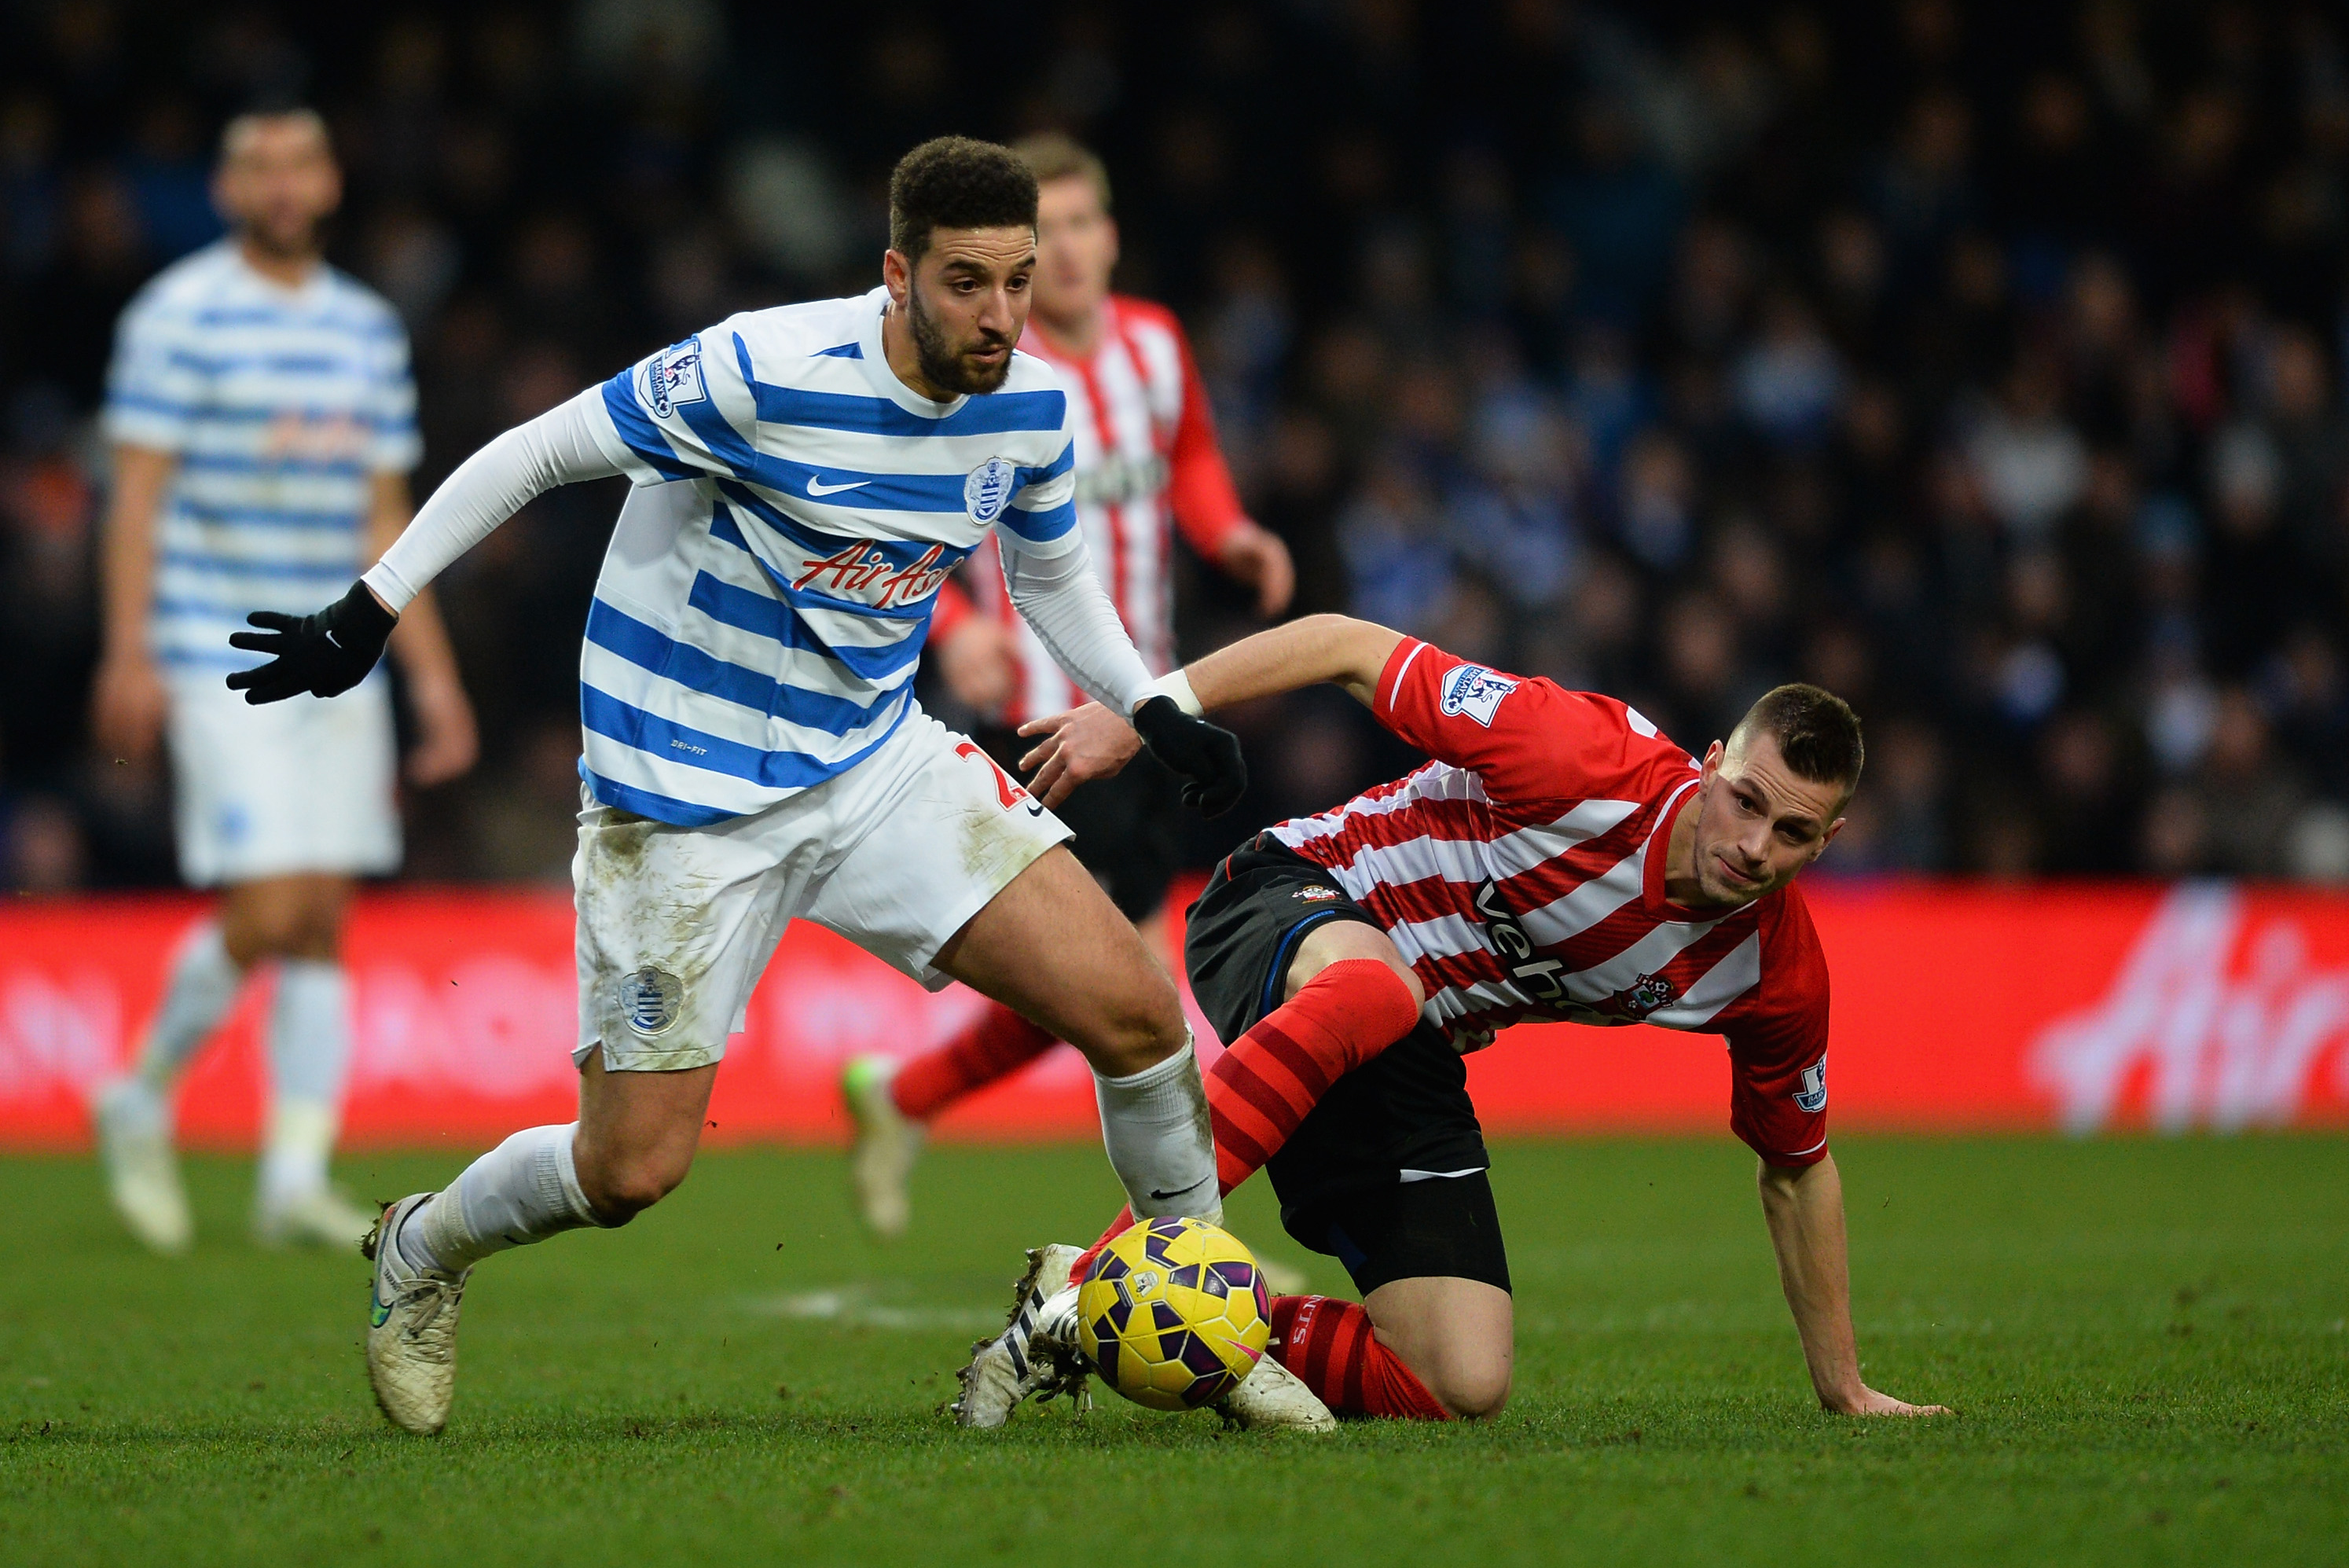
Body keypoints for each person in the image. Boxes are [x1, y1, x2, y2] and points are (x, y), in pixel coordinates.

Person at [225, 136, 1250, 1437]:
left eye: (1015, 280)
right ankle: (422, 1247)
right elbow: (536, 451)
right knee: (629, 1168)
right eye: (963, 283)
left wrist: (1153, 706)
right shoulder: (760, 370)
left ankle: (1202, 1313)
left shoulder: (1027, 408)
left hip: (876, 765)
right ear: (895, 275)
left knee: (1135, 1014)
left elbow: (1047, 580)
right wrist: (368, 609)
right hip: (680, 799)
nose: (998, 315)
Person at [960, 614, 1950, 1429]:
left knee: (1455, 1381)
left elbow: (1796, 1168)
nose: (1752, 846)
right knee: (1377, 990)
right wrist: (1149, 713)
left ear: (1829, 842)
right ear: (1709, 763)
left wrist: (1844, 1389)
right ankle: (1090, 1285)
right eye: (1744, 802)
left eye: (1791, 834)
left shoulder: (1772, 973)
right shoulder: (1579, 752)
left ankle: (1171, 1326)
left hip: (1408, 1038)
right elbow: (1347, 644)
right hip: (1288, 899)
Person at [841, 133, 1294, 1240]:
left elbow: (1185, 460)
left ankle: (905, 1096)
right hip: (1042, 711)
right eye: (1053, 233)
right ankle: (1178, 1244)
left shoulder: (1155, 342)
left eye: (1088, 223)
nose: (1074, 250)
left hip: (1141, 705)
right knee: (1128, 985)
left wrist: (1227, 532)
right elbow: (902, 513)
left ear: (1111, 234)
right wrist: (952, 627)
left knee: (1104, 983)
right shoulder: (984, 365)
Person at [86, 107, 477, 1254]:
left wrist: (434, 677)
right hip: (215, 645)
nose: (283, 184)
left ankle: (291, 1172)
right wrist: (126, 649)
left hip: (335, 650)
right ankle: (138, 1092)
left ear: (331, 180)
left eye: (300, 161)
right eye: (259, 165)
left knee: (319, 916)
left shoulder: (365, 328)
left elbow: (386, 514)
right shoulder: (176, 316)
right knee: (266, 904)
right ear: (226, 189)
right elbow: (137, 495)